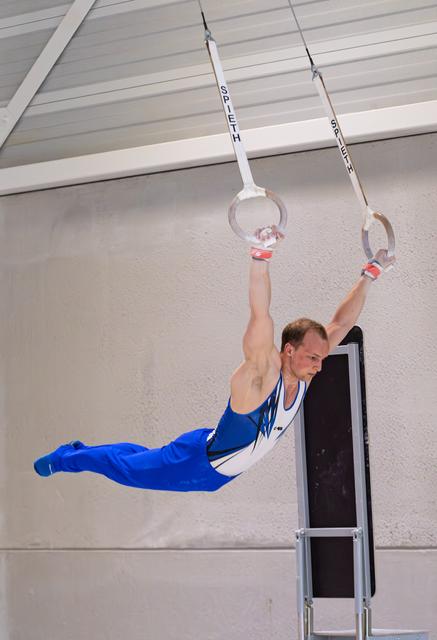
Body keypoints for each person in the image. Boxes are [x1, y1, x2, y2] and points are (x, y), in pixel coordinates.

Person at [34, 227, 395, 491]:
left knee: (137, 457)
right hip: (196, 464)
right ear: (288, 350)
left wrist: (370, 274)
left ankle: (88, 454)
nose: (320, 365)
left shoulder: (305, 370)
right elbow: (260, 314)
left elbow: (342, 322)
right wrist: (261, 258)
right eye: (313, 358)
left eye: (320, 359)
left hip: (217, 468)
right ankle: (69, 457)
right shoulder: (261, 373)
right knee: (126, 468)